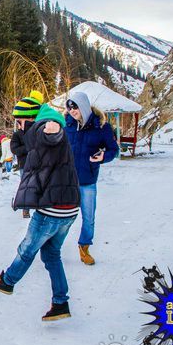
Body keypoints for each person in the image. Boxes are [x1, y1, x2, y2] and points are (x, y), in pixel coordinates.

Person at [0, 100, 80, 322]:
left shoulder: (43, 125)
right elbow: (28, 151)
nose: (17, 126)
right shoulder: (36, 131)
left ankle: (7, 281)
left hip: (53, 209)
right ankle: (60, 303)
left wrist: (53, 128)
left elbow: (51, 134)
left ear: (29, 118)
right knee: (51, 254)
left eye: (19, 121)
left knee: (27, 249)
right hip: (69, 208)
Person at [63, 92, 119, 266]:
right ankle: (52, 247)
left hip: (87, 181)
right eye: (69, 107)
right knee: (62, 216)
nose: (72, 111)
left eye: (75, 107)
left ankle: (84, 247)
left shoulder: (101, 127)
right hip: (67, 180)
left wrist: (103, 157)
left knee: (88, 217)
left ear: (84, 106)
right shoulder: (67, 125)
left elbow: (113, 150)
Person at [11, 90, 46, 219]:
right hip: (24, 164)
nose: (20, 124)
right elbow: (15, 149)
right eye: (19, 122)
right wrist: (28, 147)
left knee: (38, 185)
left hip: (37, 164)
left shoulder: (36, 130)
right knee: (25, 186)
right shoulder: (17, 135)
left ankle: (39, 207)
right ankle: (25, 209)